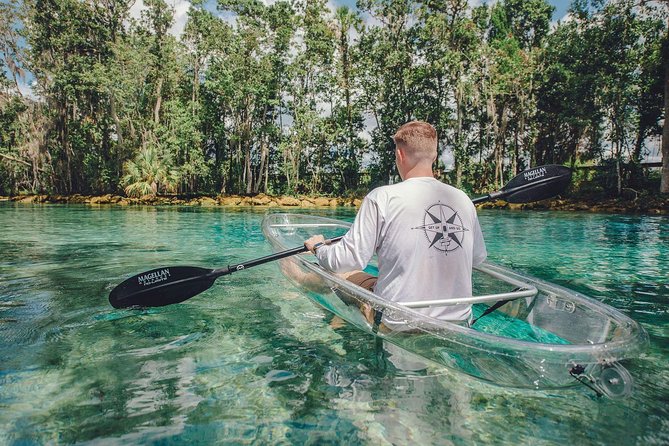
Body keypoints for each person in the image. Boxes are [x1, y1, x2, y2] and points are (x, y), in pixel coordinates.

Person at [305, 120, 487, 328]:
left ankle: (331, 318)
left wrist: (319, 248)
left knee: (340, 274)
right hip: (458, 321)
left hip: (397, 321)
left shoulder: (382, 197)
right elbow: (478, 258)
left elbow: (346, 260)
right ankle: (340, 321)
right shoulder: (462, 199)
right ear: (435, 156)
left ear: (399, 155)